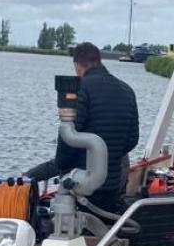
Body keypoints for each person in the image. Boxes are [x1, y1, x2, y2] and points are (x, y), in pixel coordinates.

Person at [26, 42, 139, 212]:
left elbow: (68, 141)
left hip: (81, 190)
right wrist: (111, 152)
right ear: (99, 60)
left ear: (77, 64)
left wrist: (61, 165)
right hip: (112, 188)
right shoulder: (127, 91)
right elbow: (132, 140)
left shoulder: (80, 89)